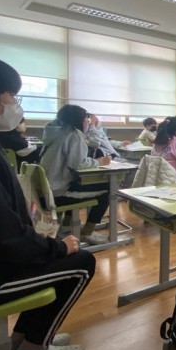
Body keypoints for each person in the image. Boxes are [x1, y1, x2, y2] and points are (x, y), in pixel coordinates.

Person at [0, 56, 95, 350]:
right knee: (81, 262)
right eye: (11, 96)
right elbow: (5, 238)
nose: (16, 105)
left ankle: (19, 342)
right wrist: (56, 247)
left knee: (57, 252)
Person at [41, 105, 112, 245]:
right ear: (78, 120)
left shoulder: (56, 133)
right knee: (108, 189)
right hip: (58, 193)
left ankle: (67, 224)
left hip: (47, 190)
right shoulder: (74, 136)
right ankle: (87, 232)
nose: (88, 122)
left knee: (79, 183)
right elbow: (78, 164)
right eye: (86, 119)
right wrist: (100, 162)